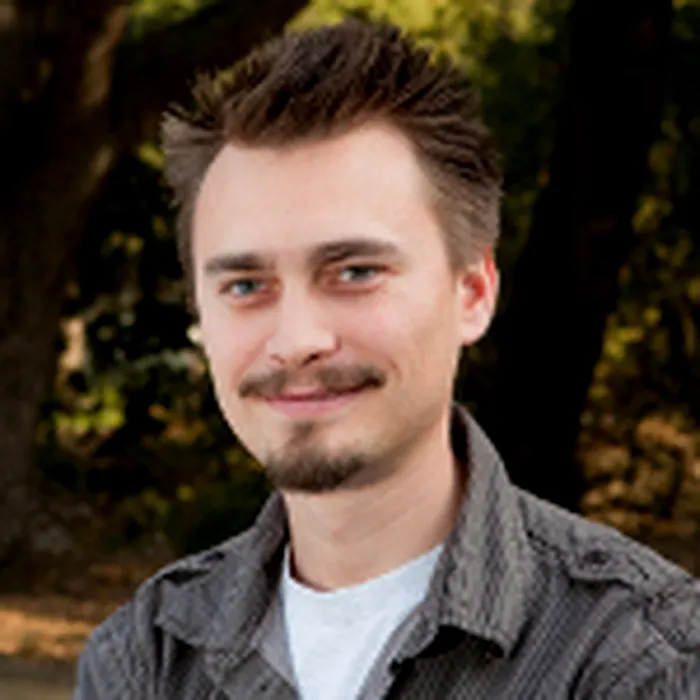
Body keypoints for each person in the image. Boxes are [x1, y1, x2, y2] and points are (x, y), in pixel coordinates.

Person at [73, 18, 700, 700]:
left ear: (473, 293)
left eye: (355, 272)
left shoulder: (643, 659)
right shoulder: (145, 660)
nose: (296, 339)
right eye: (246, 286)